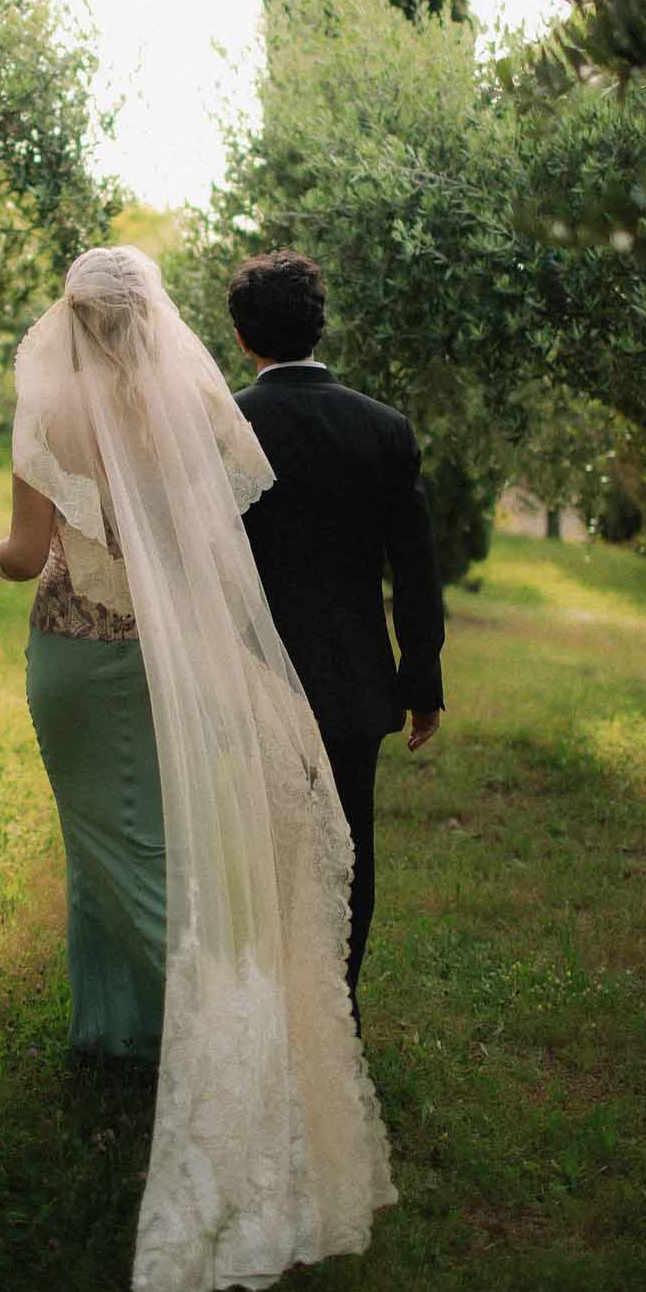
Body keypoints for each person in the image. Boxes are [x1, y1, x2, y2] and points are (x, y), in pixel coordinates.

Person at [0, 245, 395, 1292]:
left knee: (115, 849)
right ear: (151, 319)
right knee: (140, 840)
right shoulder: (195, 411)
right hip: (171, 667)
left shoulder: (53, 412)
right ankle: (115, 1028)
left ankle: (237, 1046)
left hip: (79, 657)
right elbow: (217, 549)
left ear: (70, 319)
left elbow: (22, 554)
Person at [228, 250, 445, 1030]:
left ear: (243, 337)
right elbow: (415, 572)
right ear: (319, 325)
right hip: (355, 682)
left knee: (256, 845)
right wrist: (419, 682)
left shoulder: (227, 426)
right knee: (350, 847)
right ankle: (335, 1009)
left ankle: (262, 1004)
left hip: (248, 678)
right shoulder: (383, 429)